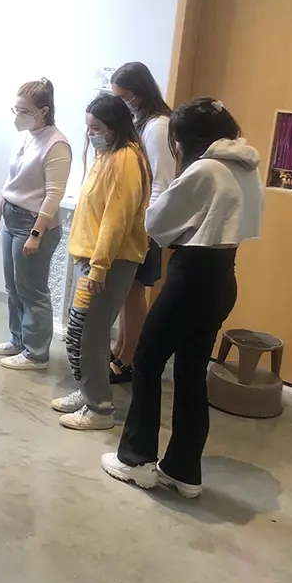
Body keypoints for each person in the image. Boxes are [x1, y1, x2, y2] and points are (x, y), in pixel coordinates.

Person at [102, 99, 264, 497]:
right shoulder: (247, 167)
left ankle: (136, 460)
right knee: (192, 373)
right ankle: (183, 471)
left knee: (146, 362)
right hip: (224, 276)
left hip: (192, 274)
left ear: (186, 138)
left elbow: (157, 221)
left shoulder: (205, 169)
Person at [53, 94, 150, 431]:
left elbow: (116, 219)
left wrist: (99, 267)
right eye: (88, 127)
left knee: (89, 336)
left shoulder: (125, 159)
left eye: (96, 128)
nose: (90, 134)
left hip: (107, 264)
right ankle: (88, 392)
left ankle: (100, 408)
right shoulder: (107, 153)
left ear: (115, 127)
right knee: (79, 333)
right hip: (92, 260)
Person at [0, 78, 71, 371]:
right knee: (13, 285)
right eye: (15, 109)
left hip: (34, 223)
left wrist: (36, 234)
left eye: (23, 111)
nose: (17, 116)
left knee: (31, 289)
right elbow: (12, 181)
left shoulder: (56, 144)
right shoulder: (24, 137)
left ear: (43, 111)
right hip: (12, 216)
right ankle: (18, 339)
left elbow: (53, 195)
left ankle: (36, 352)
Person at [108, 62, 176, 383]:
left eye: (122, 97)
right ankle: (121, 347)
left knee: (134, 293)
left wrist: (147, 228)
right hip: (136, 222)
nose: (119, 102)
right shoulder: (141, 121)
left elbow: (161, 182)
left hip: (146, 225)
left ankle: (130, 358)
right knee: (125, 292)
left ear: (137, 93)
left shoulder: (158, 127)